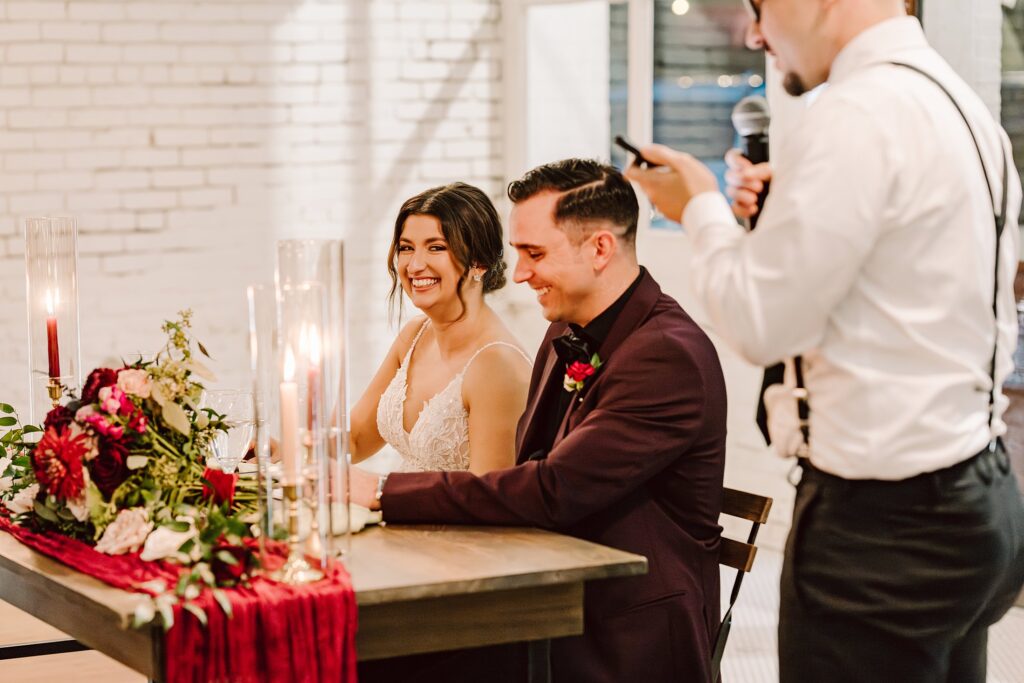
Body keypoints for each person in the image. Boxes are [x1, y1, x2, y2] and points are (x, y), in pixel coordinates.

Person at [626, 1, 1024, 681]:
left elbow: (759, 322)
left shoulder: (854, 113)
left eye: (758, 7)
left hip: (882, 529)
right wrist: (795, 206)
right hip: (977, 491)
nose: (756, 34)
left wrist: (699, 206)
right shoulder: (957, 103)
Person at [352, 159, 727, 683]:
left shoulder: (666, 354)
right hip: (550, 589)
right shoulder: (564, 331)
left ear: (599, 249)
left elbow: (551, 488)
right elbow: (527, 464)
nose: (521, 272)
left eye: (534, 253)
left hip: (620, 625)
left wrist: (381, 491)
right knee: (349, 647)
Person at [348, 182, 532, 475]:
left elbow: (487, 499)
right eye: (406, 248)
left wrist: (379, 493)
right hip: (396, 514)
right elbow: (356, 440)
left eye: (436, 248)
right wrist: (282, 449)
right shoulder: (414, 335)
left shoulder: (498, 365)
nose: (414, 265)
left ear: (479, 263)